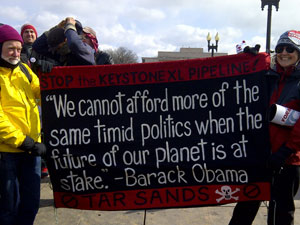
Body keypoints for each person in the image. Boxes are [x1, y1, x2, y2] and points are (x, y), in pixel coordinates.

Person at [228, 30, 300, 225]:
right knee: (244, 209)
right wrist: (247, 60)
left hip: (287, 160)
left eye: (290, 48)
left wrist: (285, 151)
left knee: (280, 214)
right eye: (280, 48)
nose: (284, 52)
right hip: (260, 156)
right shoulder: (267, 75)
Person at [0, 24, 47, 225]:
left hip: (31, 151)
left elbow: (41, 92)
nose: (16, 53)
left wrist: (53, 77)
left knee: (30, 203)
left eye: (19, 49)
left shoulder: (24, 70)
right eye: (11, 48)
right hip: (7, 153)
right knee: (9, 205)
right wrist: (25, 142)